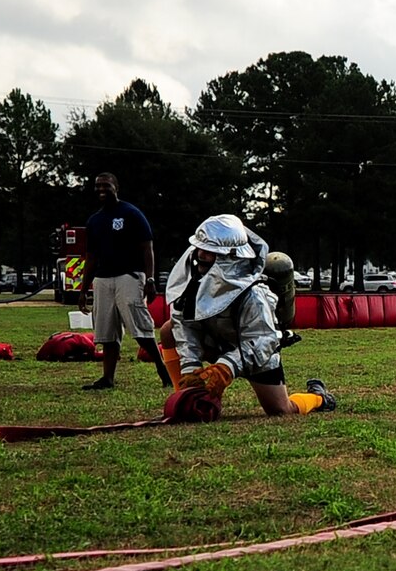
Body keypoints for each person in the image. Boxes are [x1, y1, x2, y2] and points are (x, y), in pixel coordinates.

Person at [166, 214, 334, 416]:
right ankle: (188, 397)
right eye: (199, 247)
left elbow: (262, 342)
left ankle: (319, 397)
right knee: (169, 330)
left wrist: (225, 368)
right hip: (216, 343)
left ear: (230, 257)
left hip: (253, 352)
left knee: (281, 410)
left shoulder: (254, 294)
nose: (200, 254)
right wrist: (190, 369)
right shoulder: (191, 281)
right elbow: (184, 325)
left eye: (210, 251)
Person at [79, 173, 171, 390]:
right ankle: (107, 378)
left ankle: (163, 371)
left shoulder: (131, 213)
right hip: (103, 278)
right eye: (97, 185)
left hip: (128, 275)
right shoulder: (94, 220)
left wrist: (150, 278)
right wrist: (83, 289)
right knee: (107, 331)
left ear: (116, 187)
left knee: (140, 327)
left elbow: (147, 248)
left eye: (106, 185)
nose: (101, 189)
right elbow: (91, 257)